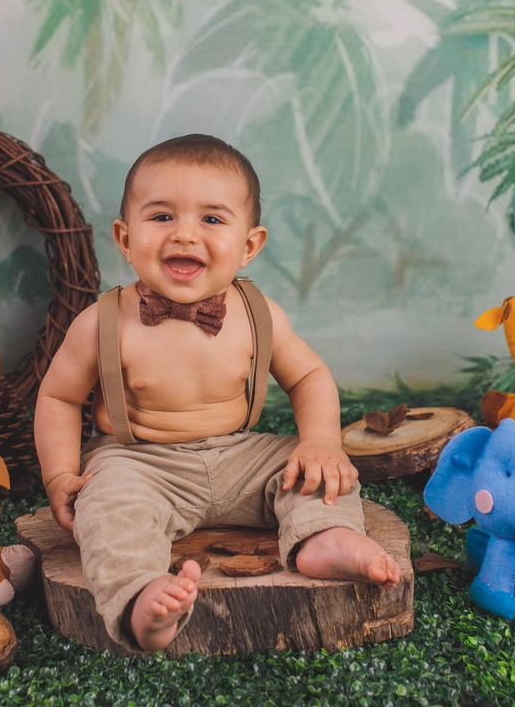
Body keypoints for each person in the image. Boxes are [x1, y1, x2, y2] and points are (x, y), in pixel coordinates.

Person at [34, 134, 401, 653]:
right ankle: (140, 597)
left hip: (239, 456)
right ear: (124, 236)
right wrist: (58, 474)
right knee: (110, 503)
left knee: (314, 473)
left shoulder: (258, 313)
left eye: (211, 219)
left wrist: (320, 440)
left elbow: (309, 376)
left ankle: (324, 538)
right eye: (161, 217)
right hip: (141, 462)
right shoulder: (102, 322)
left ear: (249, 245)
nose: (184, 234)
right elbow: (59, 398)